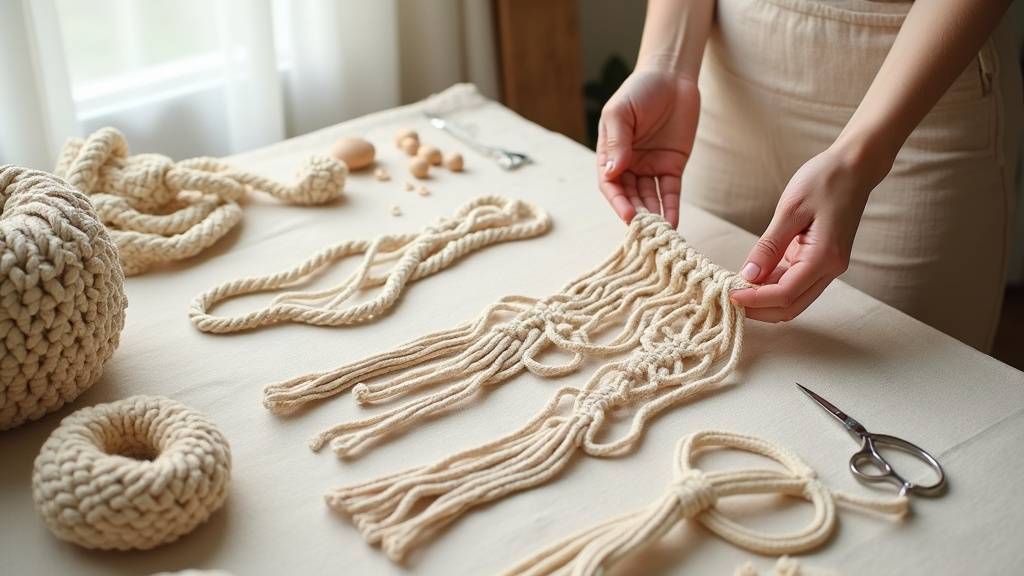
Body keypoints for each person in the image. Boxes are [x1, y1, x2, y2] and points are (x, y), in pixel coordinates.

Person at [596, 0, 1021, 351]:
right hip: (724, 78)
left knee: (904, 383)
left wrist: (859, 158)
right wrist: (666, 64)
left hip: (918, 94)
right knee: (699, 342)